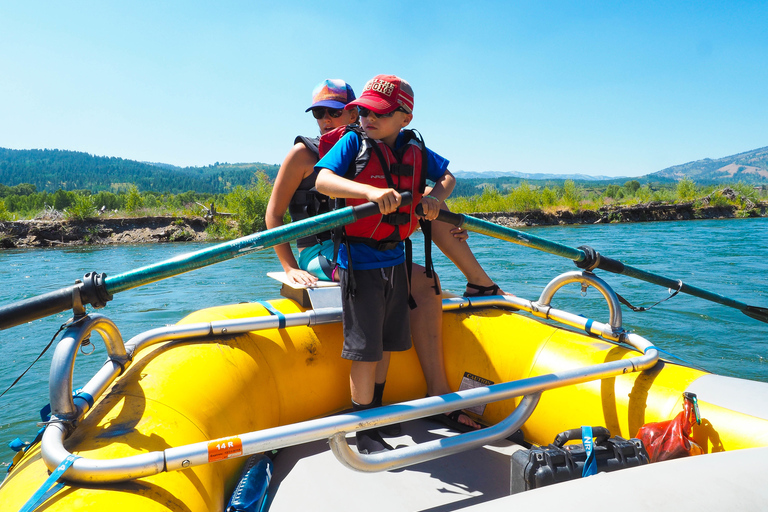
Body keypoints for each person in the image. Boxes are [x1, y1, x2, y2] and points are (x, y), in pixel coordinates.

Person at [265, 78, 499, 440]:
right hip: (326, 251)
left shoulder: (392, 146)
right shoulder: (315, 153)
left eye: (337, 111)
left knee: (425, 270)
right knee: (419, 284)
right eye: (319, 114)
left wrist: (441, 208)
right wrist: (288, 267)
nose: (326, 120)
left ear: (354, 110)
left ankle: (476, 291)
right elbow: (274, 218)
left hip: (383, 249)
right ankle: (377, 416)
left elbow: (427, 186)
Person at [314, 74, 458, 454]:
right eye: (363, 112)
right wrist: (369, 192)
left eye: (379, 114)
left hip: (396, 258)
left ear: (404, 118)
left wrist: (435, 199)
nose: (367, 119)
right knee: (366, 350)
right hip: (358, 262)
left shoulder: (414, 149)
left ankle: (374, 415)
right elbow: (324, 180)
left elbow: (447, 176)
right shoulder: (353, 143)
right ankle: (364, 428)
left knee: (387, 345)